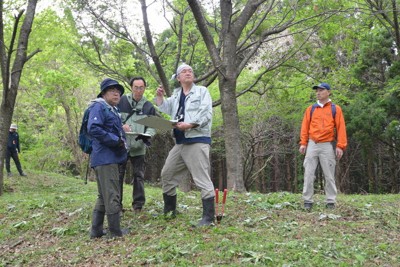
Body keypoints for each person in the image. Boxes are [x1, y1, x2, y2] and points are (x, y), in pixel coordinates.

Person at [155, 63, 215, 226]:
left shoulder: (202, 91)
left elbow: (206, 113)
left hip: (197, 140)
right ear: (178, 78)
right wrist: (159, 98)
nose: (188, 73)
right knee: (167, 174)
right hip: (180, 142)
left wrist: (190, 124)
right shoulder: (176, 94)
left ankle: (208, 218)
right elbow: (166, 108)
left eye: (190, 71)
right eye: (184, 71)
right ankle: (169, 212)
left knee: (201, 178)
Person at [88, 78, 128, 238]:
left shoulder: (111, 110)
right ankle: (114, 231)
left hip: (107, 157)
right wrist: (116, 140)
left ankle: (96, 230)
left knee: (103, 195)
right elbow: (93, 128)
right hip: (105, 158)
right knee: (112, 194)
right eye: (112, 90)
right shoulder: (99, 106)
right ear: (104, 93)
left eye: (118, 91)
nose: (116, 93)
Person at [299, 82, 347, 211]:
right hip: (312, 144)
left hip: (327, 145)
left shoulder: (335, 109)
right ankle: (307, 201)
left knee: (329, 175)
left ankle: (330, 201)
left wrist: (340, 146)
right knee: (308, 174)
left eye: (321, 90)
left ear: (328, 92)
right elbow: (305, 127)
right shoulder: (311, 109)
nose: (318, 93)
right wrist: (303, 143)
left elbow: (341, 128)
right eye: (317, 91)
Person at [117, 77, 157, 213]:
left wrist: (148, 134)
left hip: (139, 147)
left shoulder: (149, 106)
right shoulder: (121, 101)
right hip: (121, 146)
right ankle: (117, 204)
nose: (138, 90)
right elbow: (113, 119)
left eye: (141, 87)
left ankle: (138, 205)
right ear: (131, 87)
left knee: (138, 176)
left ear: (145, 88)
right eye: (136, 87)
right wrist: (121, 126)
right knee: (118, 175)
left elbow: (152, 127)